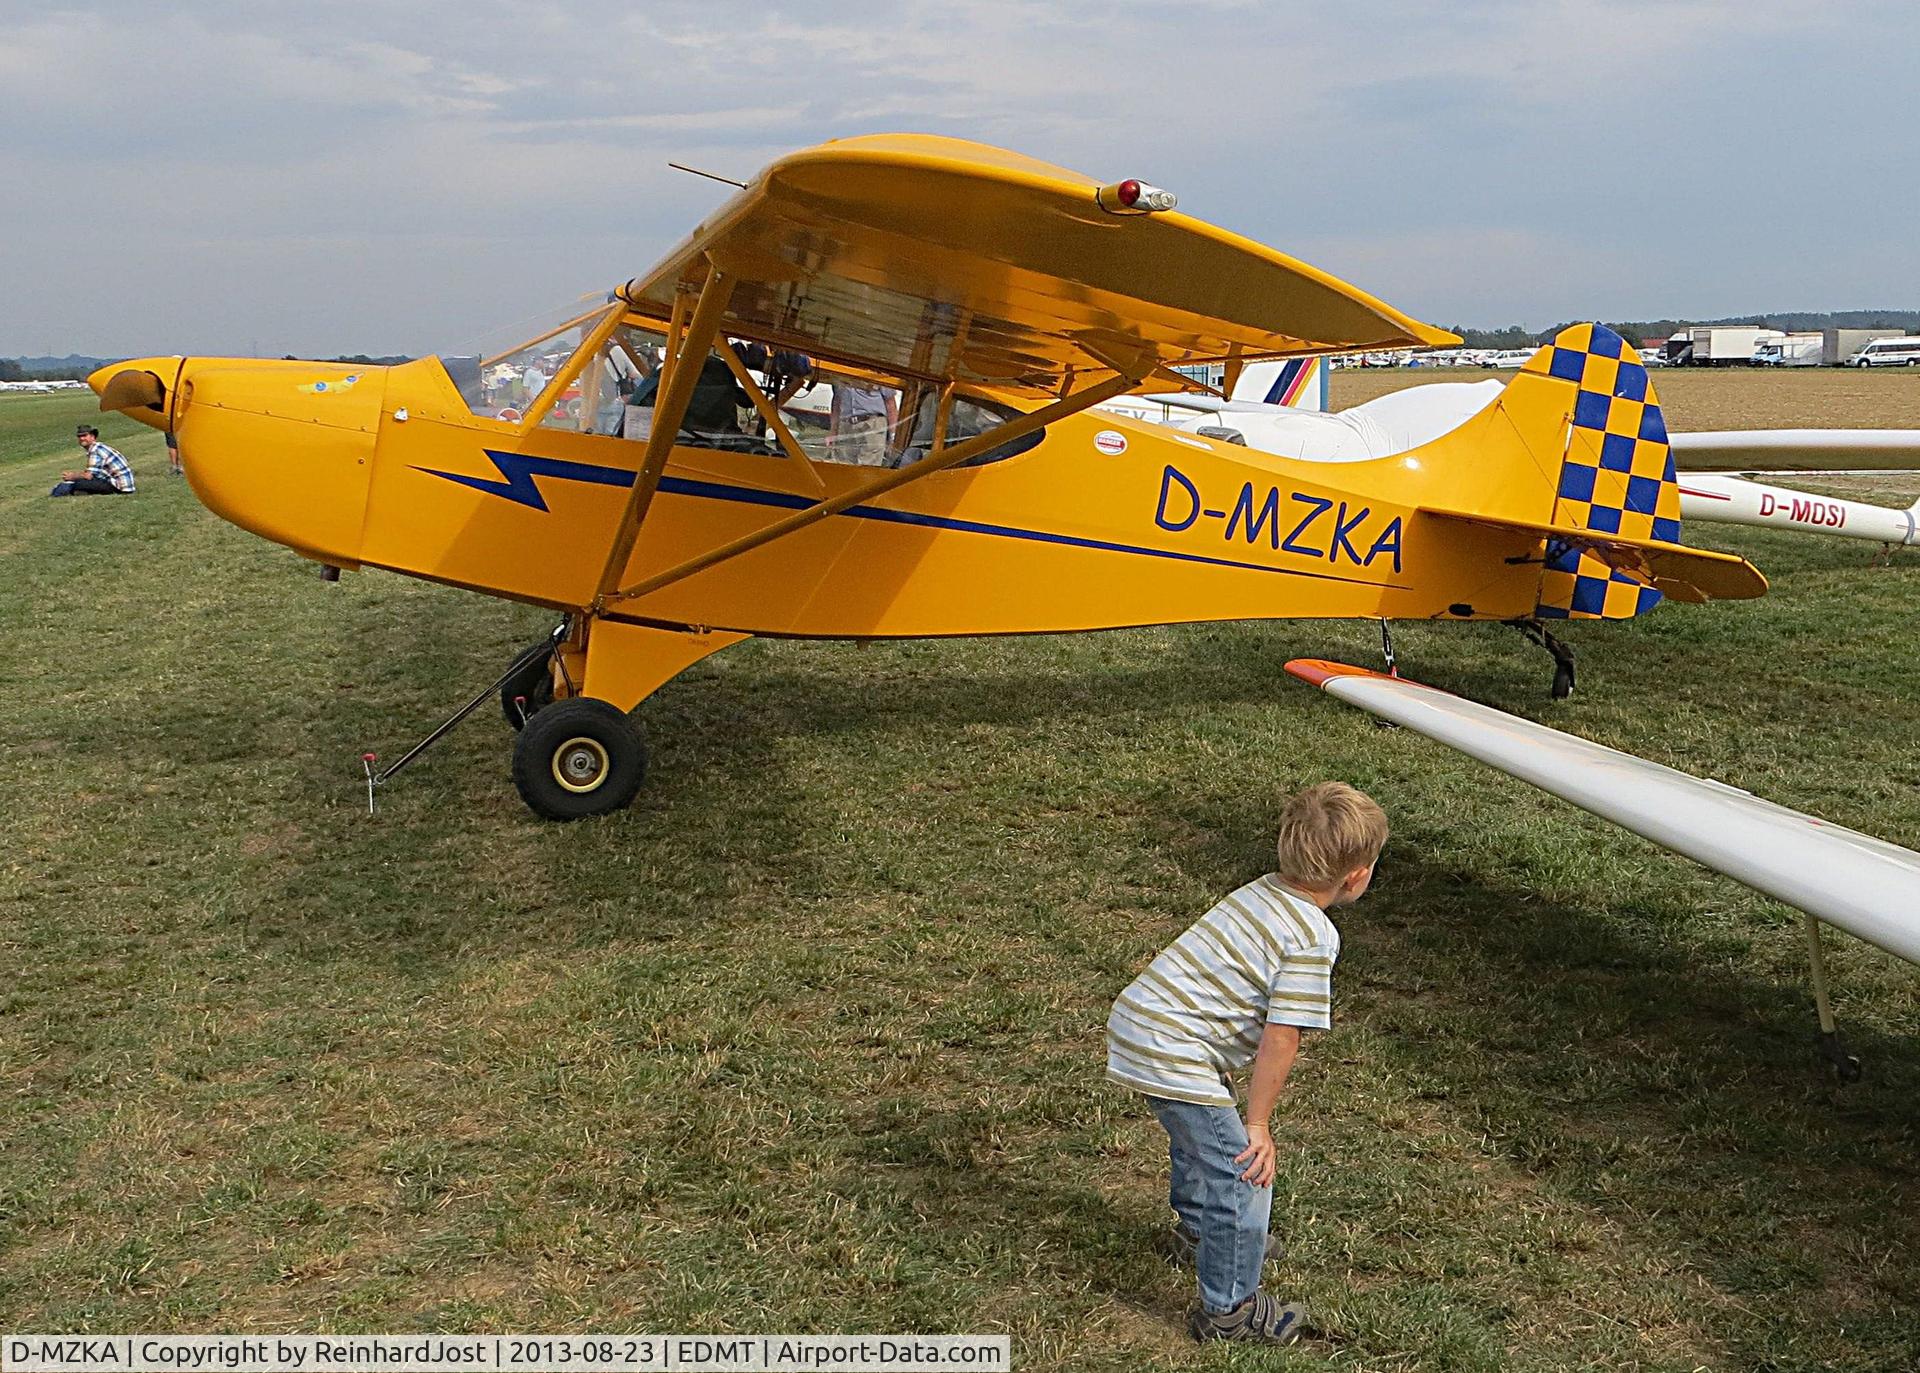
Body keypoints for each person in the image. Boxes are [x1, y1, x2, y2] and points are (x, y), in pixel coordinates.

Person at [1106, 782, 1388, 1345]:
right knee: (1243, 1169)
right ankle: (1228, 1309)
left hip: (1145, 1022)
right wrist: (1258, 1125)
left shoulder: (1260, 890)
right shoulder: (1311, 937)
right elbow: (1283, 1035)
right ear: (1356, 876)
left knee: (1203, 1137)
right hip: (1173, 1045)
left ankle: (1201, 1230)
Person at [52, 425, 136, 496]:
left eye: (84, 435)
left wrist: (72, 476)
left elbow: (88, 476)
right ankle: (78, 490)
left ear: (92, 437)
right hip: (123, 484)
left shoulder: (95, 450)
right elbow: (94, 473)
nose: (81, 438)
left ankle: (70, 490)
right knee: (81, 482)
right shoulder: (98, 447)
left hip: (120, 487)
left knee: (78, 483)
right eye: (79, 436)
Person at [829, 379, 894, 465]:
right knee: (843, 466)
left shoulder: (877, 374)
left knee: (868, 468)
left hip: (872, 424)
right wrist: (833, 430)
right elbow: (837, 401)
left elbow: (890, 404)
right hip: (846, 425)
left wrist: (893, 436)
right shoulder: (840, 373)